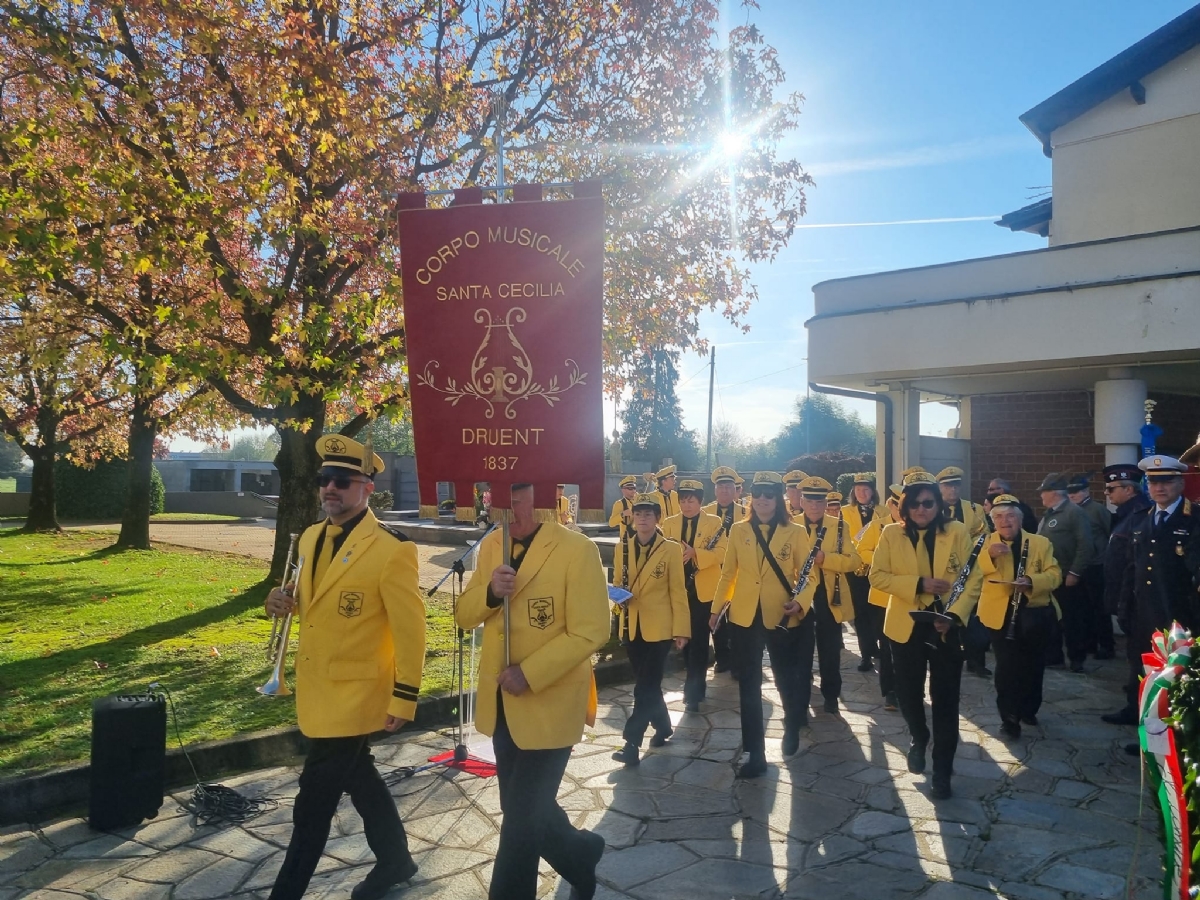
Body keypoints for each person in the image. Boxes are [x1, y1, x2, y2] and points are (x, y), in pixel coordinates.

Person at [265, 435, 426, 900]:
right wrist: (278, 601)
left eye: (341, 481)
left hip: (358, 695)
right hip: (318, 686)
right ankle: (395, 859)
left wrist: (405, 696)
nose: (329, 489)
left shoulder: (393, 549)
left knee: (312, 802)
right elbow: (306, 600)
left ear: (367, 489)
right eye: (323, 480)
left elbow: (411, 630)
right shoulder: (312, 537)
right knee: (362, 780)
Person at [456, 482, 610, 900]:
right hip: (503, 707)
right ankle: (580, 853)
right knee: (526, 812)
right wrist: (490, 592)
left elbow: (592, 629)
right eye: (499, 496)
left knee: (521, 823)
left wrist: (531, 671)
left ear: (542, 499)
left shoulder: (577, 550)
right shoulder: (492, 547)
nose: (508, 506)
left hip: (552, 703)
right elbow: (464, 615)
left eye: (518, 495)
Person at [869, 471, 983, 800]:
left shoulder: (958, 531)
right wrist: (918, 584)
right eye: (915, 504)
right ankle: (918, 736)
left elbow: (972, 580)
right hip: (905, 625)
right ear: (905, 507)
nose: (922, 509)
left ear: (938, 504)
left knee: (946, 702)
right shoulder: (891, 533)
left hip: (945, 625)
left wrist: (954, 615)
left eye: (928, 503)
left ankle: (943, 770)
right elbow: (877, 576)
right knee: (908, 694)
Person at [711, 471, 810, 778]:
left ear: (779, 497)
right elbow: (729, 573)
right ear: (751, 497)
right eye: (758, 493)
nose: (763, 499)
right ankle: (755, 753)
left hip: (781, 614)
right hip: (744, 617)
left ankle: (792, 723)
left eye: (769, 493)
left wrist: (801, 602)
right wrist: (716, 610)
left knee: (785, 679)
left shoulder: (794, 531)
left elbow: (807, 575)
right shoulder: (739, 530)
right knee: (749, 686)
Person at [1113, 457, 1200, 754]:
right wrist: (1124, 606)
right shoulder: (1142, 518)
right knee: (1143, 673)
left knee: (1175, 679)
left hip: (1179, 616)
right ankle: (1149, 736)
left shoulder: (1194, 519)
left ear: (1180, 483)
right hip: (1144, 614)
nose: (1159, 488)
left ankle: (1173, 740)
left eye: (1166, 481)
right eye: (1153, 482)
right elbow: (1132, 567)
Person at [611, 493, 690, 765]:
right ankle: (664, 726)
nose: (642, 518)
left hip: (660, 628)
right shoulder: (623, 547)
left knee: (644, 687)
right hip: (633, 626)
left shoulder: (670, 548)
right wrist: (618, 596)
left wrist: (682, 629)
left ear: (658, 518)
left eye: (648, 514)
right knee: (649, 685)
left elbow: (677, 591)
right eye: (638, 513)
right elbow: (617, 583)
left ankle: (631, 743)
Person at [976, 494, 1062, 740]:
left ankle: (1029, 708)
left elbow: (1055, 574)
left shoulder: (1040, 542)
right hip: (999, 616)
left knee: (1034, 665)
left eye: (1011, 516)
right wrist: (989, 556)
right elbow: (969, 572)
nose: (1005, 521)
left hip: (1034, 612)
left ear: (1020, 519)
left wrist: (1033, 581)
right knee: (1006, 667)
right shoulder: (983, 542)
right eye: (999, 517)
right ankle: (1009, 717)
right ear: (993, 521)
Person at [793, 476, 862, 716]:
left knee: (830, 651)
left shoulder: (839, 526)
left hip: (828, 597)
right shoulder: (789, 525)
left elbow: (854, 561)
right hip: (799, 596)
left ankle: (831, 695)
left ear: (825, 503)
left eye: (819, 501)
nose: (814, 505)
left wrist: (827, 559)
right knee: (800, 652)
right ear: (801, 501)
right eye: (809, 500)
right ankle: (799, 700)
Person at [663, 479, 727, 712]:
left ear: (700, 501)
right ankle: (693, 686)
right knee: (684, 639)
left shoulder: (714, 522)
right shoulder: (669, 523)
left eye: (691, 500)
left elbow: (721, 553)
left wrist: (696, 553)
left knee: (699, 641)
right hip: (678, 589)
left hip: (703, 590)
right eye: (682, 500)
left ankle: (693, 692)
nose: (686, 505)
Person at [1099, 463, 1154, 727]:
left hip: (1135, 601)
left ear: (1129, 489)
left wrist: (1123, 603)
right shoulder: (1125, 514)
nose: (1107, 493)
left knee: (1140, 659)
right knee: (1134, 658)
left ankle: (1138, 711)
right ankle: (1135, 705)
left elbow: (1133, 566)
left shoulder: (1140, 515)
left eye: (1112, 488)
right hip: (1126, 600)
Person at [1036, 473, 1094, 672]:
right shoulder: (1049, 514)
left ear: (1053, 493)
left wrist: (1075, 572)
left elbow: (1085, 544)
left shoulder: (1073, 512)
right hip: (1051, 577)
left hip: (1067, 575)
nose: (1041, 497)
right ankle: (1054, 657)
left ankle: (1077, 658)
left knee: (1072, 620)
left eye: (1043, 492)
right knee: (1052, 618)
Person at [858, 486, 903, 710]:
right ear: (891, 505)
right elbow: (861, 549)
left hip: (909, 597)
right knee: (887, 647)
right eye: (898, 505)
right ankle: (891, 691)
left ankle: (909, 687)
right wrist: (881, 558)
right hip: (883, 596)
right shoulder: (877, 525)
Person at [1067, 473, 1114, 660]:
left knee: (1100, 608)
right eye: (1069, 491)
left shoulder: (1097, 510)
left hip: (1096, 565)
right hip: (1078, 566)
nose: (1072, 495)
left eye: (1076, 491)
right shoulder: (1070, 511)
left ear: (1086, 490)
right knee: (1083, 608)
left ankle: (1107, 646)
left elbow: (1110, 532)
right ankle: (1089, 643)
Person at [703, 466, 745, 674]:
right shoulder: (705, 513)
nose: (725, 491)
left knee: (738, 617)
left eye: (729, 487)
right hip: (713, 570)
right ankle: (722, 658)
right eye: (721, 487)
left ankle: (739, 660)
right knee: (716, 615)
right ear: (715, 490)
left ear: (735, 489)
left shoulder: (746, 513)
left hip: (740, 572)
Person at [842, 474, 883, 673]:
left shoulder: (883, 512)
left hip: (877, 568)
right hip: (855, 570)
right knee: (860, 614)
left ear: (872, 491)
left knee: (877, 612)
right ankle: (865, 654)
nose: (862, 493)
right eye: (858, 490)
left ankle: (876, 647)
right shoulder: (844, 512)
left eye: (866, 489)